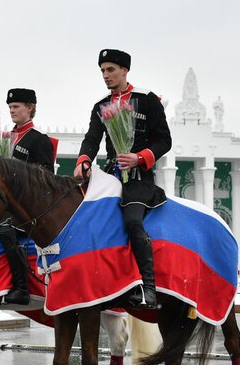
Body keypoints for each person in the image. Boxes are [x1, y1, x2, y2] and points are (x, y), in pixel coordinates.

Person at [74, 49, 172, 309]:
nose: (105, 75)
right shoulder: (100, 106)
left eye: (111, 70)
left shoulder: (148, 100)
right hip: (109, 175)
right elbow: (92, 138)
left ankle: (148, 289)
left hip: (139, 178)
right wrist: (83, 160)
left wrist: (139, 158)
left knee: (131, 221)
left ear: (125, 70)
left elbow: (165, 140)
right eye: (102, 71)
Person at [0, 88, 55, 305]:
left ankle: (22, 287)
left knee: (4, 228)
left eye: (16, 107)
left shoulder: (38, 140)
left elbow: (47, 176)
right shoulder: (6, 139)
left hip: (28, 207)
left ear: (30, 108)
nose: (11, 111)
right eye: (10, 107)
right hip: (4, 204)